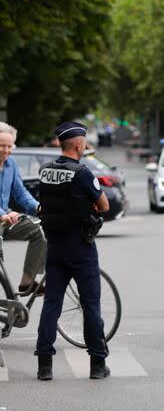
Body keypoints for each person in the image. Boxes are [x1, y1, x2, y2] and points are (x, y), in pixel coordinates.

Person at [35, 122, 110, 381]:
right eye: (85, 141)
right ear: (78, 144)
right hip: (80, 247)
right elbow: (104, 204)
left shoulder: (44, 171)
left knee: (51, 305)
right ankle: (97, 364)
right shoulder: (83, 173)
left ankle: (44, 364)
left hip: (54, 247)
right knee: (90, 304)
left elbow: (42, 205)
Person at [0, 123, 46, 293]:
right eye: (2, 146)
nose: (6, 150)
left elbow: (20, 193)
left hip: (5, 219)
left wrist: (39, 207)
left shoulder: (11, 164)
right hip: (3, 217)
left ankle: (28, 281)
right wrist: (4, 214)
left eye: (9, 146)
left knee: (40, 229)